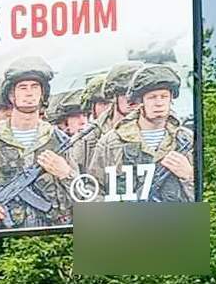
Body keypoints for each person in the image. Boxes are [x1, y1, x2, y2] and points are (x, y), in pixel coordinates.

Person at [0, 60, 78, 230]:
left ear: (43, 94)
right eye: (22, 87)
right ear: (11, 95)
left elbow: (88, 195)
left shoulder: (61, 141)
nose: (29, 93)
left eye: (35, 87)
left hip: (52, 238)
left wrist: (66, 174)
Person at [85, 62, 198, 202]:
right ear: (140, 102)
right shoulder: (112, 142)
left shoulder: (187, 139)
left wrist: (189, 176)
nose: (159, 103)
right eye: (152, 97)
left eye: (164, 96)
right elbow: (92, 189)